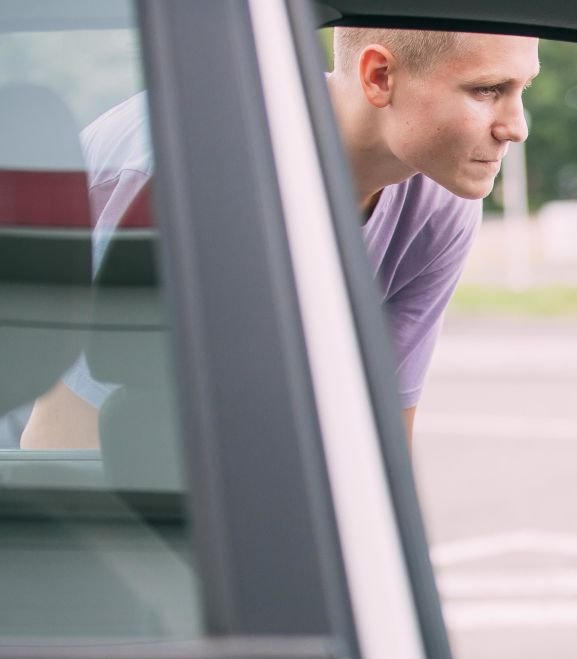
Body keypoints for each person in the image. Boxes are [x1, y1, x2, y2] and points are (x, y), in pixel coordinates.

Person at [17, 27, 539, 449]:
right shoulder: (194, 168)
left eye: (523, 90)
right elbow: (65, 442)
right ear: (379, 76)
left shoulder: (441, 203)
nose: (517, 127)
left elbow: (379, 431)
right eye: (487, 90)